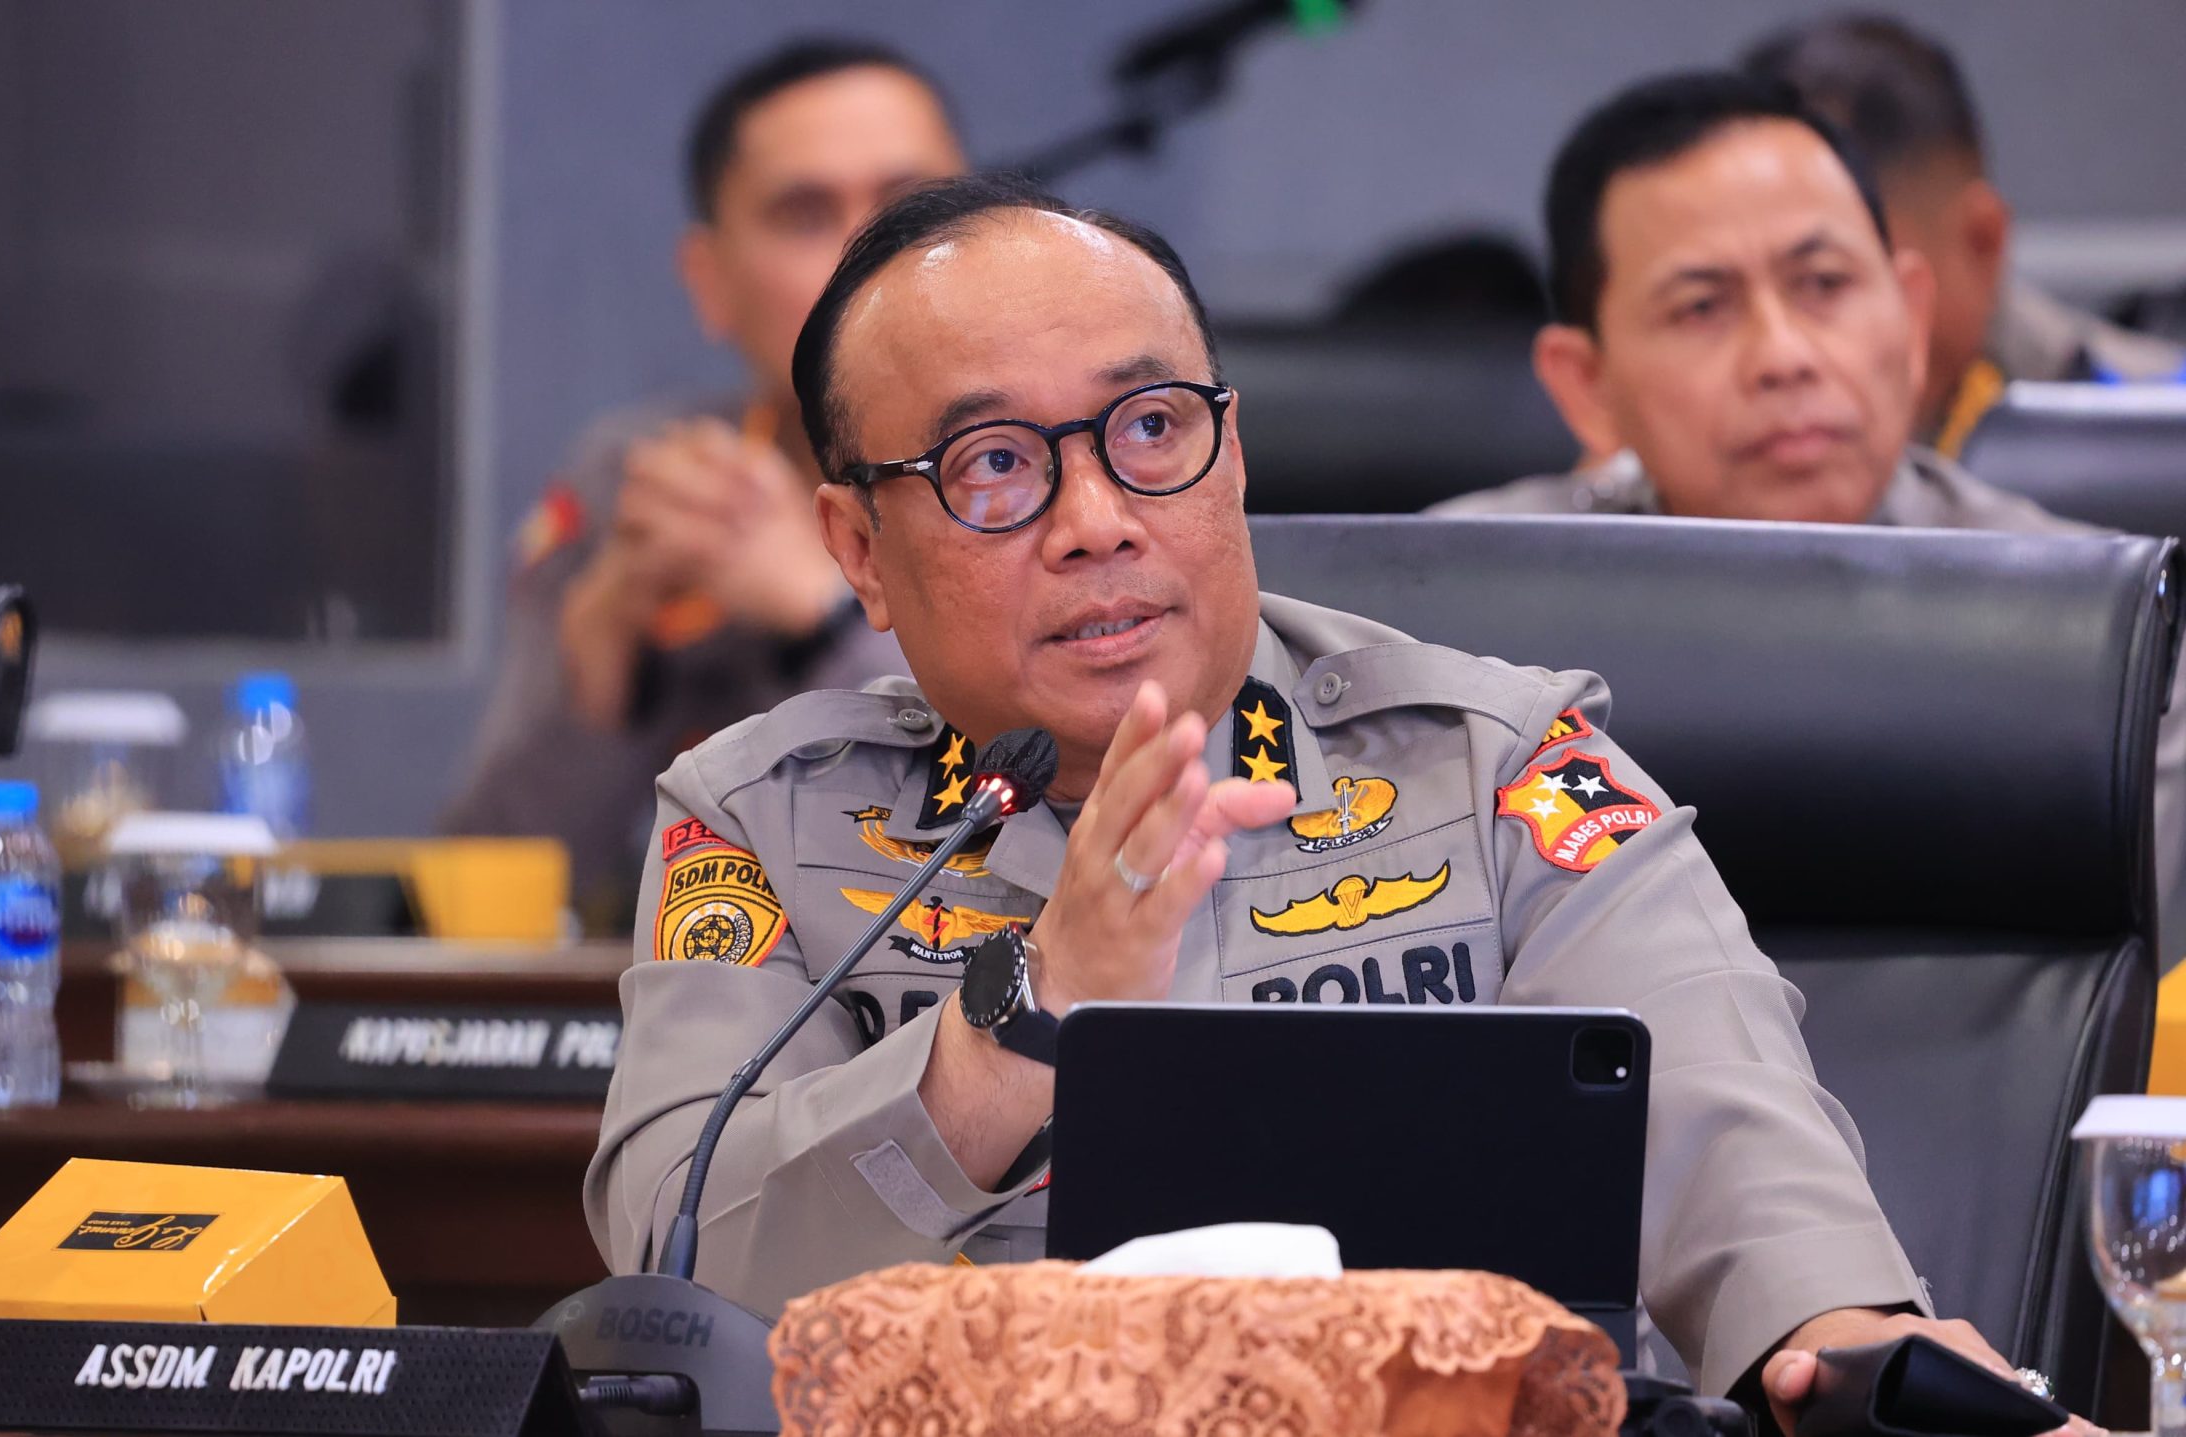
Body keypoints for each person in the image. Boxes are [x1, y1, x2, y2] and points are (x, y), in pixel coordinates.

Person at [584, 171, 2031, 1429]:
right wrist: (1025, 1017)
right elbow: (680, 1279)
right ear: (858, 550)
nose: (1098, 522)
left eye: (1151, 428)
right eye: (997, 466)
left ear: (1233, 453)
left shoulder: (1495, 767)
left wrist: (1848, 1356)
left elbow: (1732, 1139)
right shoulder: (763, 822)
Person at [1435, 70, 2186, 968]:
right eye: (1701, 306)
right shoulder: (1452, 624)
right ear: (1586, 385)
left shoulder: (2107, 638)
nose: (1784, 355)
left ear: (1912, 317)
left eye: (1824, 283)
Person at [440, 39, 964, 930]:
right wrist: (602, 673)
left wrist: (824, 611)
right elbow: (481, 892)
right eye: (805, 215)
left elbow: (1055, 822)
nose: (867, 253)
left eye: (910, 206)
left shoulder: (1063, 467)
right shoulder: (648, 485)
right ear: (712, 281)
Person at [1744, 14, 2186, 458]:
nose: (1781, 352)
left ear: (1982, 242)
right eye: (1716, 299)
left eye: (1825, 282)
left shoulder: (2156, 432)